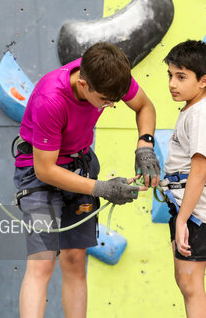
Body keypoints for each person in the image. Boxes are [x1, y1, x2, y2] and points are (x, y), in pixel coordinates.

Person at [12, 42, 161, 318]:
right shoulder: (51, 99)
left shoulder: (108, 73)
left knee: (74, 259)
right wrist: (102, 188)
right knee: (43, 263)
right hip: (41, 173)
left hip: (79, 164)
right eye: (105, 100)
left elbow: (144, 106)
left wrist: (145, 145)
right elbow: (45, 169)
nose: (111, 105)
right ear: (83, 85)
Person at [161, 40, 206, 318]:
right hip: (189, 204)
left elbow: (199, 170)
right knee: (186, 281)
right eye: (170, 75)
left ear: (204, 80)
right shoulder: (194, 108)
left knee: (191, 284)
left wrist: (181, 220)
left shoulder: (202, 113)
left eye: (181, 77)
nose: (172, 84)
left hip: (197, 209)